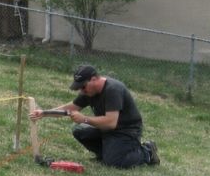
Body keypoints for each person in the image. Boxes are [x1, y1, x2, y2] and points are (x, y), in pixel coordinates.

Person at [31, 65, 160, 168]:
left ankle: (146, 152)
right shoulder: (89, 91)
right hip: (107, 130)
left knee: (113, 162)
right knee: (79, 131)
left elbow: (111, 123)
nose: (81, 91)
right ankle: (106, 153)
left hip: (126, 131)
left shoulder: (113, 89)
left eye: (83, 86)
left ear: (94, 79)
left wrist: (84, 119)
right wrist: (44, 113)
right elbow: (70, 108)